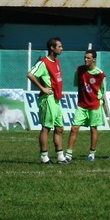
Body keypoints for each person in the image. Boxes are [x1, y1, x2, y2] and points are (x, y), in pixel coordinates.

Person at [27, 37, 68, 165]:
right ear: (52, 47)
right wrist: (42, 88)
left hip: (56, 98)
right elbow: (30, 74)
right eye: (59, 46)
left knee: (59, 128)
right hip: (48, 99)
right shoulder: (43, 62)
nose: (62, 48)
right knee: (46, 128)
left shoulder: (56, 61)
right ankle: (44, 157)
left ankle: (60, 156)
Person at [64, 49, 106, 162]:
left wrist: (98, 101)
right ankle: (68, 154)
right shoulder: (79, 70)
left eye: (88, 58)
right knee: (74, 128)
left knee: (93, 129)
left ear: (94, 59)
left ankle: (92, 153)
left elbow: (103, 91)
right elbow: (77, 84)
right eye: (85, 57)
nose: (85, 59)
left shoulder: (100, 74)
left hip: (94, 105)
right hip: (82, 105)